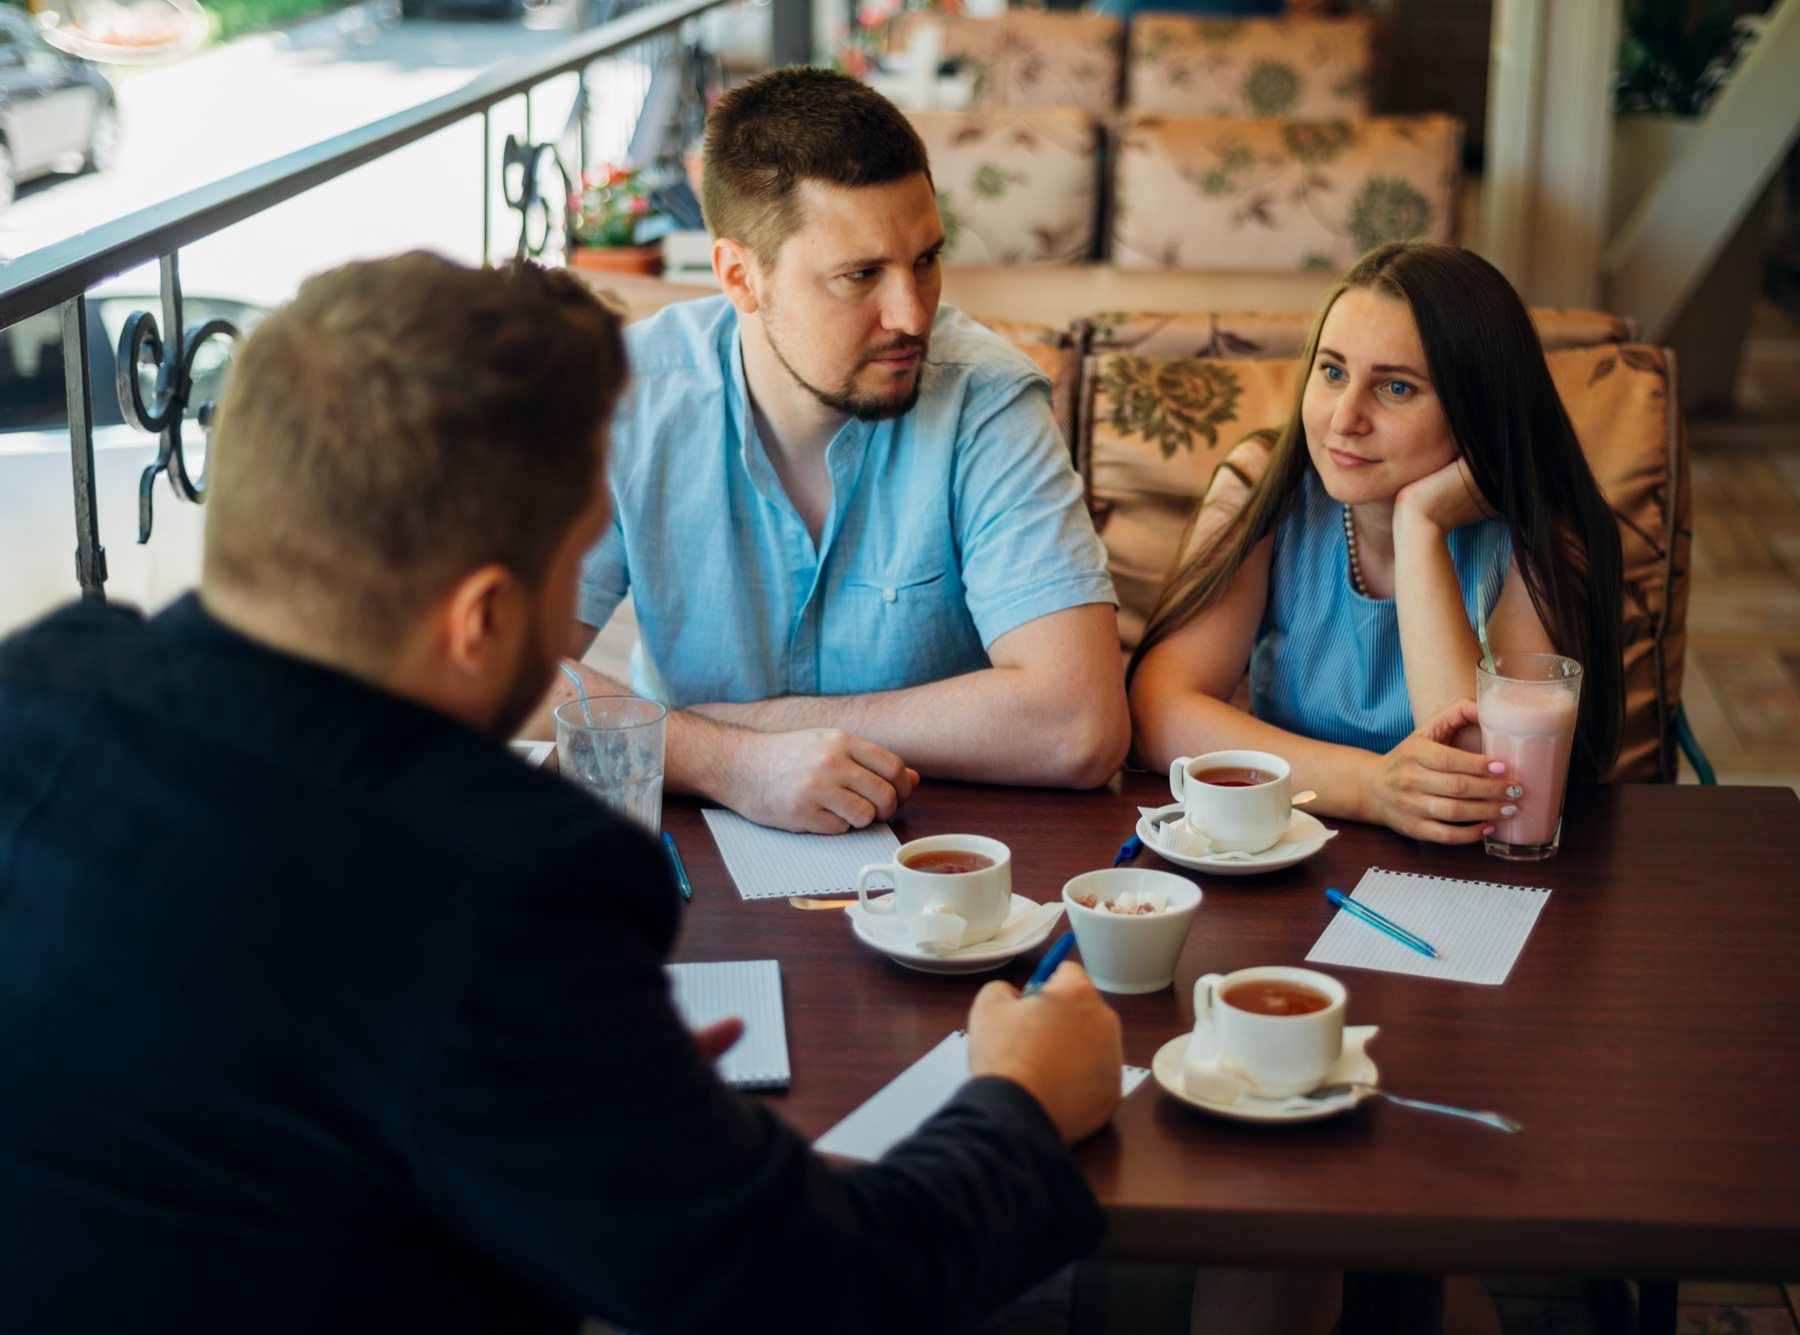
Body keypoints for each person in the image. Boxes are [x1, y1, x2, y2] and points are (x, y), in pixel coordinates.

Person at [0, 254, 1126, 1332]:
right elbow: (826, 1290)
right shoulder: (508, 891)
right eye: (574, 565)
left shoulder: (35, 691)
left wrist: (584, 1082)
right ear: (484, 621)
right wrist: (1021, 1103)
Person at [548, 67, 1128, 836]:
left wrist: (770, 725)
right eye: (861, 275)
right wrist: (729, 761)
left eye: (925, 258)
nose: (913, 312)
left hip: (945, 857)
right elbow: (497, 672)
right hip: (699, 843)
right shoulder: (628, 397)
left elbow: (1080, 723)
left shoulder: (984, 399)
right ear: (739, 276)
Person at [1127, 243, 1624, 844]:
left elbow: (1493, 786)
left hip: (1473, 884)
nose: (1344, 419)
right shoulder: (1266, 483)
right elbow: (1159, 711)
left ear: (1478, 409)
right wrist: (1369, 787)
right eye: (1333, 372)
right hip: (1293, 852)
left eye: (1395, 388)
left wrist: (1420, 526)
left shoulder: (1539, 535)